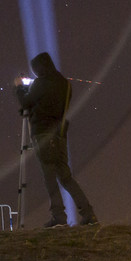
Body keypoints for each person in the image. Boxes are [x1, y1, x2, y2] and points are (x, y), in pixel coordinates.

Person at [15, 52, 98, 227]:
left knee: (49, 177)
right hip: (59, 135)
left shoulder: (41, 83)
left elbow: (26, 103)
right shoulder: (65, 85)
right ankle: (88, 214)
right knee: (66, 177)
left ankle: (59, 217)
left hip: (43, 134)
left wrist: (19, 88)